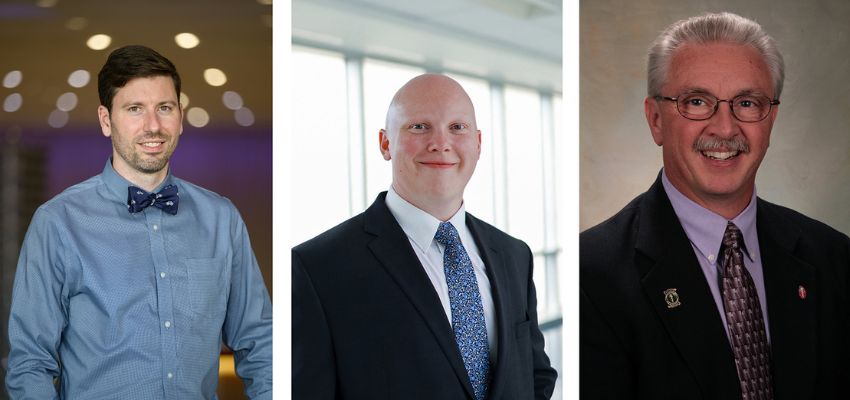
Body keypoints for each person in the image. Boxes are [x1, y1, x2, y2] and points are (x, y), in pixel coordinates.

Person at [580, 12, 850, 399]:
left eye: (746, 102)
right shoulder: (591, 276)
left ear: (770, 118)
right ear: (656, 120)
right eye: (696, 101)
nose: (725, 129)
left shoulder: (833, 257)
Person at [5, 45, 272, 399]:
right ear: (106, 120)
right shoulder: (57, 222)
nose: (153, 126)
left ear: (180, 116)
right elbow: (30, 365)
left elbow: (261, 345)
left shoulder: (222, 219)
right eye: (134, 109)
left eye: (165, 108)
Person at [293, 74, 557, 400]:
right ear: (385, 143)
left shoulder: (514, 255)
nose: (440, 143)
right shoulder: (317, 267)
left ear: (478, 143)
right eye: (419, 127)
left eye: (457, 128)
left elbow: (535, 375)